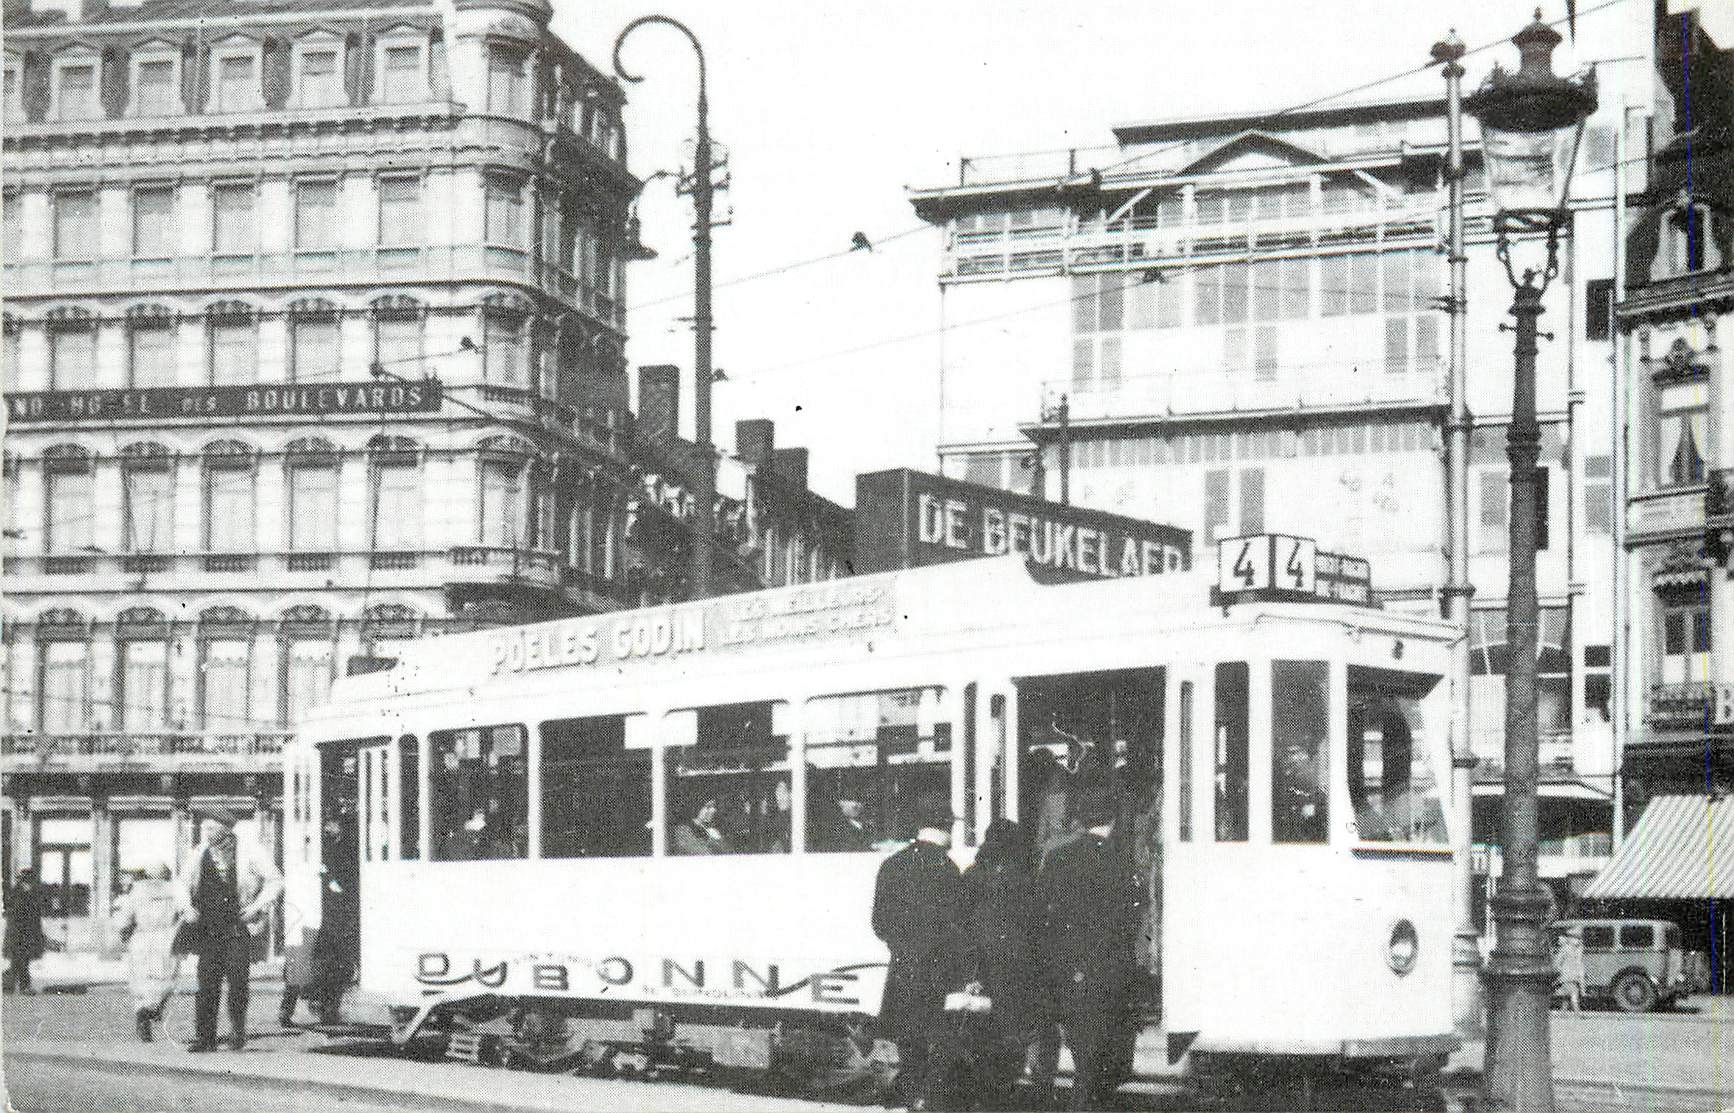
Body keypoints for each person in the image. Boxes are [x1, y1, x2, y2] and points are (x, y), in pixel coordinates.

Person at [1036, 787, 1137, 1111]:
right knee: (1098, 1065)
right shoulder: (1120, 859)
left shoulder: (1056, 857)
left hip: (1067, 971)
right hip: (1107, 972)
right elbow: (1128, 920)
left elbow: (1042, 916)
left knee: (1083, 1057)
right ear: (1113, 819)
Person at [872, 791, 965, 1111]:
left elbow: (879, 922)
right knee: (936, 1050)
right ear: (943, 828)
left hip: (903, 972)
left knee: (909, 1049)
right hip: (939, 976)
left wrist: (903, 946)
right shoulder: (948, 869)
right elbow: (957, 926)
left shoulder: (892, 864)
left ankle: (911, 1102)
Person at [942, 818, 1039, 1112]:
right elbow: (1034, 927)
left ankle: (980, 1099)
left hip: (980, 971)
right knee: (1010, 1042)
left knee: (979, 1039)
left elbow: (958, 923)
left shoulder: (971, 876)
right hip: (1015, 973)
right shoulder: (1025, 879)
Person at [178, 807, 282, 1052]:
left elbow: (276, 880)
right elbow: (181, 883)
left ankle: (237, 1032)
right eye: (205, 828)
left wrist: (257, 906)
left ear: (225, 829)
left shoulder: (250, 851)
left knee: (238, 982)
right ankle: (205, 1038)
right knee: (206, 983)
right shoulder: (199, 853)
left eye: (211, 828)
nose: (206, 832)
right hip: (208, 929)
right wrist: (186, 907)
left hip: (238, 927)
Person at [113, 864, 182, 1041]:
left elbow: (124, 918)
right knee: (166, 978)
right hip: (166, 939)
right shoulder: (174, 891)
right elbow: (183, 914)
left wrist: (123, 932)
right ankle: (153, 1007)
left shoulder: (137, 892)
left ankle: (143, 1010)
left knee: (142, 980)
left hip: (142, 939)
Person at [4, 868, 47, 995]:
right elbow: (19, 915)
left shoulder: (25, 894)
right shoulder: (20, 895)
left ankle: (10, 986)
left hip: (23, 935)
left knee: (19, 961)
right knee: (21, 961)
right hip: (20, 935)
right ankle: (21, 986)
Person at [1553, 926, 1585, 1012]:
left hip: (1573, 976)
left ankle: (1563, 1011)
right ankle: (1577, 1012)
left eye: (1578, 938)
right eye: (1575, 938)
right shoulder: (1565, 949)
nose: (1577, 940)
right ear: (1570, 939)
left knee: (1567, 995)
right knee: (1573, 994)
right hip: (1567, 975)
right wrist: (1559, 970)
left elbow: (1579, 964)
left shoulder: (1578, 950)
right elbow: (1557, 962)